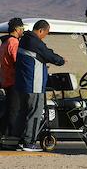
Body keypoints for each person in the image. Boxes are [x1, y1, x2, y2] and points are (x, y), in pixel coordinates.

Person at [15, 20, 65, 152]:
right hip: (34, 84)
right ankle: (29, 142)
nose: (45, 37)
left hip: (23, 84)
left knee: (25, 113)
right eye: (45, 34)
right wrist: (62, 60)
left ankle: (21, 141)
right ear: (41, 30)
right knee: (35, 113)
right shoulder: (34, 41)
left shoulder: (24, 39)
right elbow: (49, 55)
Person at [0, 18, 24, 139]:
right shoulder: (13, 43)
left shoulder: (4, 43)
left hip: (5, 80)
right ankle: (12, 137)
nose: (22, 31)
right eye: (22, 29)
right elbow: (17, 61)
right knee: (15, 110)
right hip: (14, 81)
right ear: (16, 29)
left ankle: (4, 134)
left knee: (9, 109)